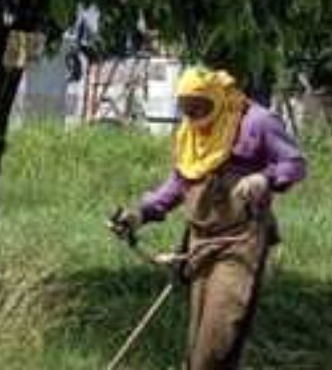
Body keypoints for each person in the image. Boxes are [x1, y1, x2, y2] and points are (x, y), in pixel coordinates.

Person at [111, 67, 306, 370]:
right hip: (200, 242)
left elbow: (294, 163)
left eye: (200, 106)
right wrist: (141, 214)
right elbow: (180, 182)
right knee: (199, 339)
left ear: (217, 97)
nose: (194, 114)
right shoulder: (190, 132)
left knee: (219, 335)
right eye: (186, 107)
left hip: (240, 244)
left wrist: (264, 178)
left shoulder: (257, 122)